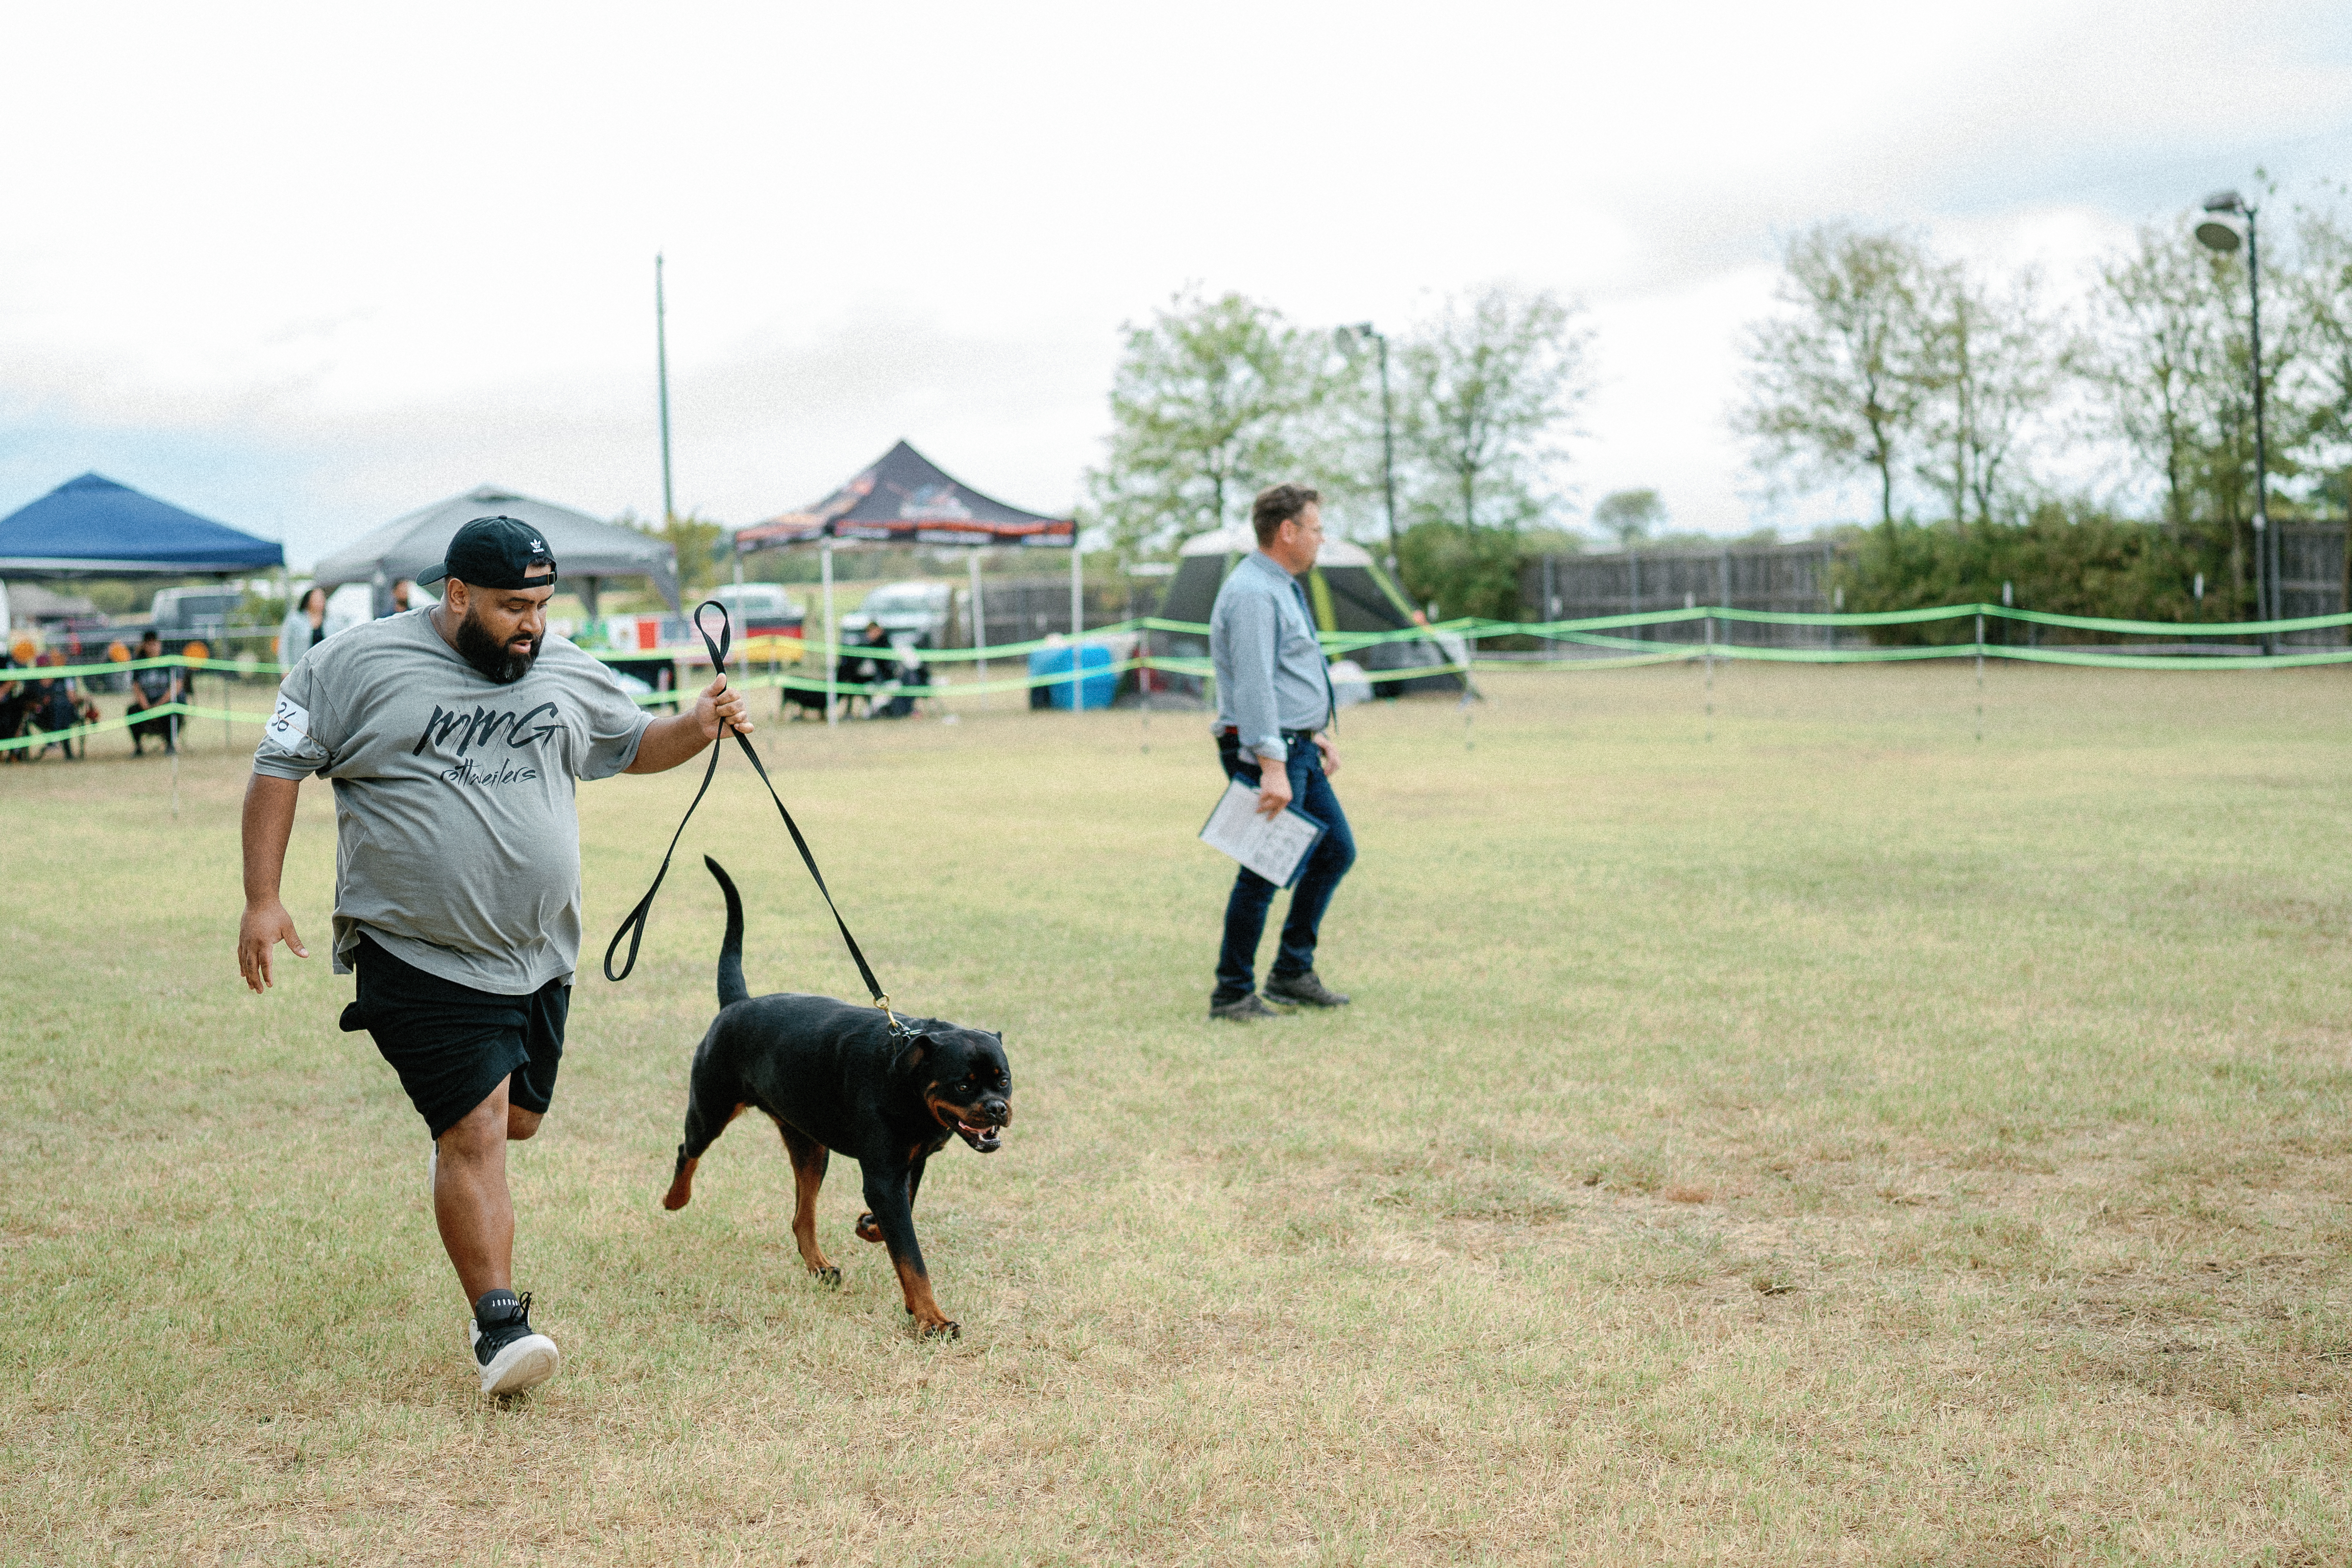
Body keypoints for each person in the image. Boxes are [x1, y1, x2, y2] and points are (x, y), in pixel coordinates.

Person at [236, 516, 753, 1396]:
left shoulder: (561, 666)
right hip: (416, 951)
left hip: (539, 954)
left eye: (542, 605)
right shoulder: (351, 665)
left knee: (514, 1123)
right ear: (457, 594)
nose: (533, 625)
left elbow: (630, 744)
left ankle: (460, 1165)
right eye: (514, 606)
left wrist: (696, 725)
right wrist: (263, 897)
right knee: (476, 1130)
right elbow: (277, 766)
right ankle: (499, 1327)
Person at [1206, 483, 1356, 1022]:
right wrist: (1272, 765)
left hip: (1295, 744)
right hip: (1270, 750)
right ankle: (1232, 993)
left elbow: (1285, 675)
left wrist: (1312, 732)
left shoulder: (1279, 585)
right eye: (1316, 528)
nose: (1321, 538)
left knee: (1334, 851)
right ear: (1287, 531)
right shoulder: (1253, 592)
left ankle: (1292, 971)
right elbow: (1254, 685)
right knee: (1264, 870)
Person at [125, 628, 184, 755]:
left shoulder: (169, 659)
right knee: (132, 711)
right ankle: (138, 747)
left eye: (155, 643)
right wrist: (147, 708)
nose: (152, 647)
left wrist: (158, 707)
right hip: (147, 704)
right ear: (144, 645)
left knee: (174, 709)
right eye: (149, 644)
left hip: (166, 703)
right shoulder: (140, 661)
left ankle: (170, 744)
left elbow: (177, 685)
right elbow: (136, 686)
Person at [279, 586, 332, 666]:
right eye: (317, 598)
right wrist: (285, 666)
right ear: (308, 600)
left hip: (325, 666)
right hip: (301, 666)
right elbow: (285, 644)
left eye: (322, 598)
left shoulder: (331, 620)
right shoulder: (295, 619)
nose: (321, 601)